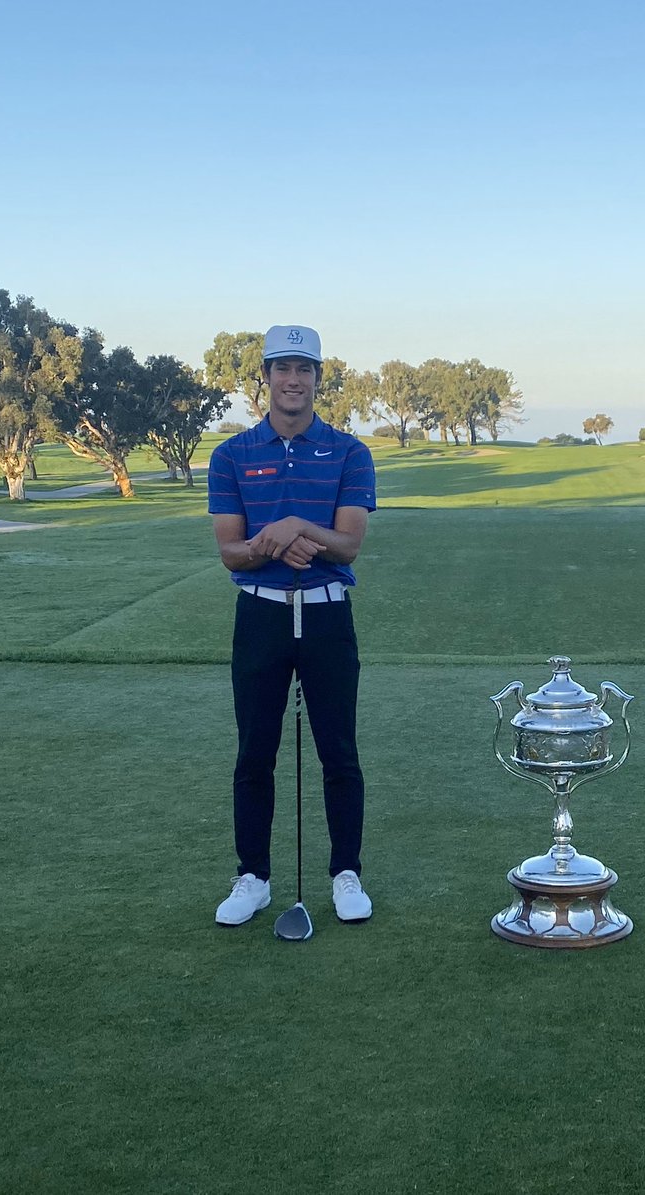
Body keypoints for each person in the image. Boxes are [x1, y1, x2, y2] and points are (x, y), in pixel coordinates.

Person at [207, 324, 377, 927]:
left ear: (318, 379)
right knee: (255, 752)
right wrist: (278, 543)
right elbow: (230, 552)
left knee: (340, 752)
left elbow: (349, 544)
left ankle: (346, 873)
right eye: (282, 368)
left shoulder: (351, 453)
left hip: (328, 612)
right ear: (266, 378)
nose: (293, 380)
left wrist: (291, 528)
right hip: (260, 614)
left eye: (304, 370)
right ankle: (252, 876)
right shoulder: (231, 455)